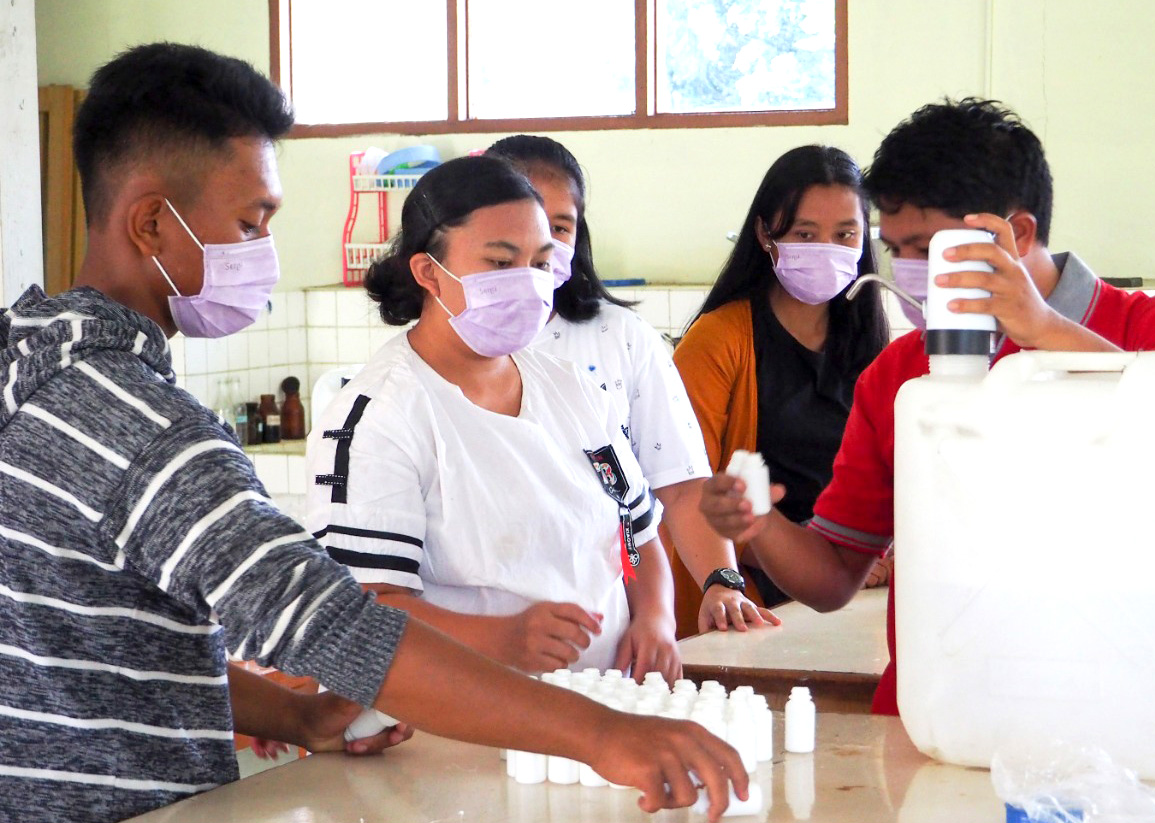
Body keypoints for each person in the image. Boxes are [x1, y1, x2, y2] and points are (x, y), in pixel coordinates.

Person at [0, 43, 745, 823]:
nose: (264, 252)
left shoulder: (31, 366)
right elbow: (331, 621)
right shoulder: (147, 428)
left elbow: (102, 642)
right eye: (251, 222)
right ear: (153, 220)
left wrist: (289, 714)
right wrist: (604, 736)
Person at [699, 98, 1155, 716]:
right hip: (937, 714)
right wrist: (761, 526)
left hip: (1116, 710)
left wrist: (1044, 330)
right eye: (895, 250)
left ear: (1014, 234)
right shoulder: (897, 374)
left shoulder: (1149, 331)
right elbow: (834, 574)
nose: (908, 272)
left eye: (925, 248)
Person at [307, 154, 683, 682]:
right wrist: (502, 640)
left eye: (539, 263)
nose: (528, 283)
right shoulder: (381, 416)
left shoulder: (574, 389)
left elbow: (634, 537)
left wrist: (656, 617)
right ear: (427, 273)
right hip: (471, 726)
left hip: (607, 709)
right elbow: (363, 609)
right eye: (500, 264)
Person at [485, 134, 779, 637]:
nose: (544, 246)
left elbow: (683, 486)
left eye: (560, 227)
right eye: (526, 223)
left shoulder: (619, 339)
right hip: (478, 634)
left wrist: (721, 581)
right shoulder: (449, 347)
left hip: (608, 631)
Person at [672, 145, 891, 636]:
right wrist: (817, 563)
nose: (826, 248)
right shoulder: (718, 339)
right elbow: (687, 487)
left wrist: (872, 551)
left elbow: (883, 482)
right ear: (765, 234)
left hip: (846, 597)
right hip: (750, 600)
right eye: (804, 233)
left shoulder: (873, 348)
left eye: (844, 234)